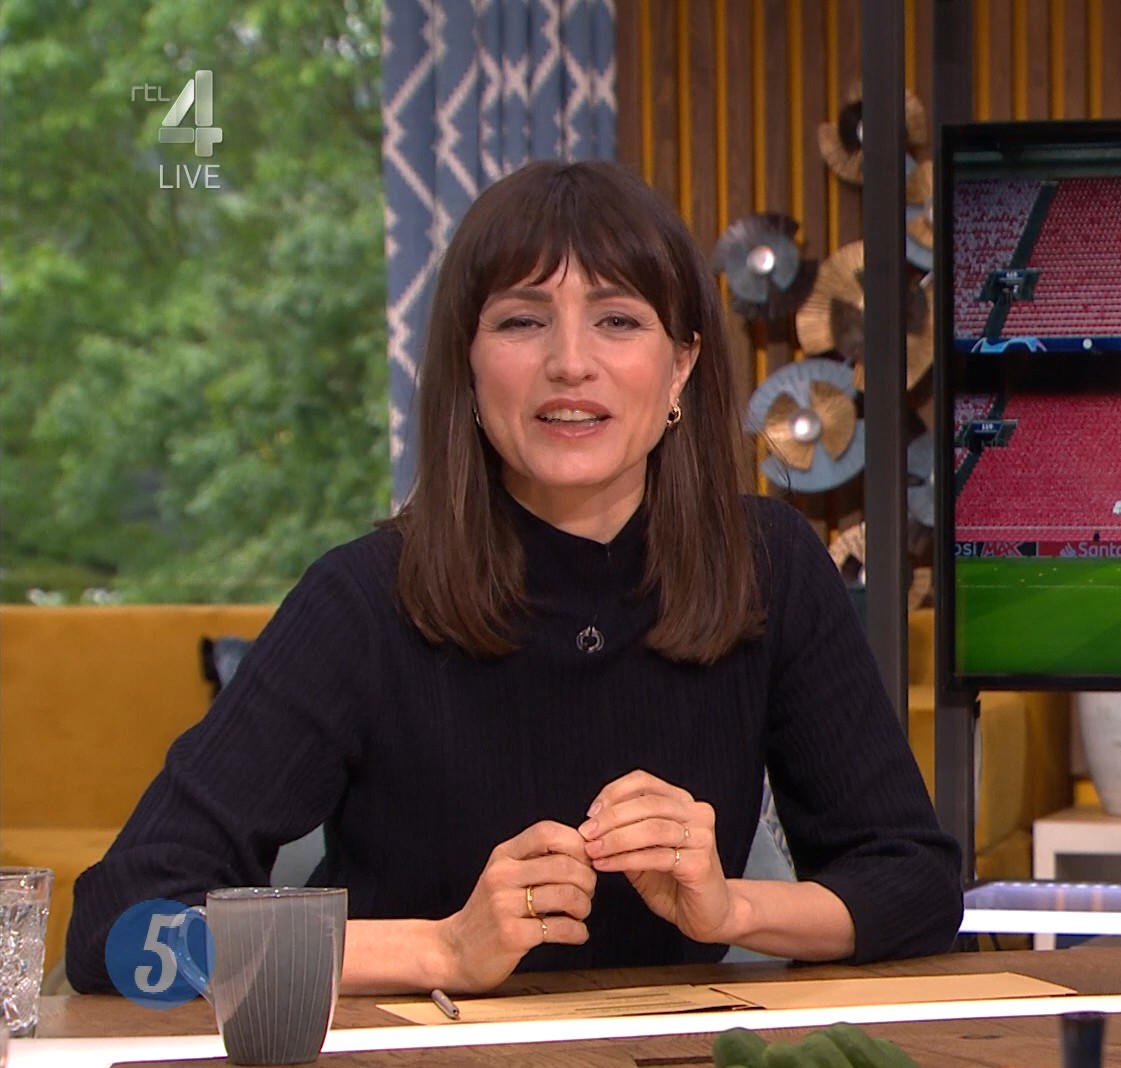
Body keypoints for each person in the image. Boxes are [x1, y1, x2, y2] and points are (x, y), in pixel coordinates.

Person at [65, 161, 962, 996]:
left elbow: (915, 884)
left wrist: (731, 911)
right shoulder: (362, 599)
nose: (570, 361)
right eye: (522, 321)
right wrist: (441, 949)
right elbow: (122, 930)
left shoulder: (770, 565)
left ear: (682, 365)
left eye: (618, 320)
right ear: (468, 360)